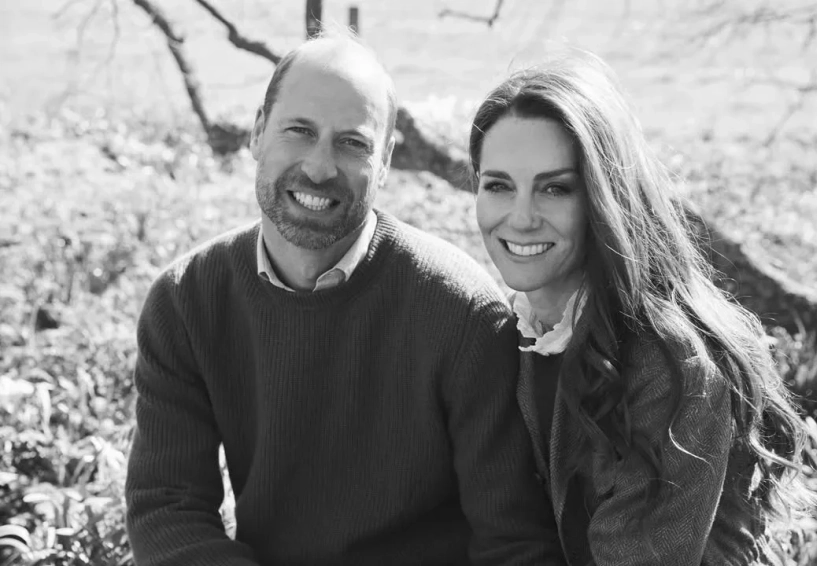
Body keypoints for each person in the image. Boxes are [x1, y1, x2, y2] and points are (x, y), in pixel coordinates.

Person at [125, 30, 565, 566]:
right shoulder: (185, 301)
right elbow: (167, 509)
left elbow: (512, 540)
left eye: (352, 143)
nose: (319, 167)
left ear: (385, 160)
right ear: (258, 132)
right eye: (299, 131)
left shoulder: (462, 313)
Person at [469, 52, 817, 565]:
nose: (521, 218)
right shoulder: (503, 330)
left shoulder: (672, 365)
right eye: (498, 185)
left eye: (555, 188)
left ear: (604, 197)